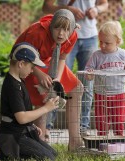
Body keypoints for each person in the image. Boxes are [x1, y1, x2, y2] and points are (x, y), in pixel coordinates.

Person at [14, 9, 84, 151]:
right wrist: (40, 75)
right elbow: (22, 56)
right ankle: (39, 141)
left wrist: (57, 79)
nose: (61, 34)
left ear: (71, 30)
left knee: (77, 88)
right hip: (24, 62)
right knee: (44, 91)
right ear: (51, 26)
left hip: (49, 61)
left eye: (65, 30)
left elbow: (62, 58)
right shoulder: (37, 33)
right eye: (57, 28)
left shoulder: (73, 35)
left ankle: (75, 142)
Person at [42, 0, 109, 137]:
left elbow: (104, 4)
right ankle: (47, 127)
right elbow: (46, 7)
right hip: (65, 36)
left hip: (90, 37)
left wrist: (97, 10)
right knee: (57, 80)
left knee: (87, 83)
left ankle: (82, 128)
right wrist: (67, 10)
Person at [0, 42, 59, 160]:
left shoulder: (19, 81)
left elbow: (20, 112)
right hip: (12, 137)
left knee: (53, 154)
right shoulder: (12, 86)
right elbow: (21, 117)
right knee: (48, 158)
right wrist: (46, 108)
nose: (32, 71)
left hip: (22, 131)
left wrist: (32, 126)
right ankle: (6, 154)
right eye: (31, 67)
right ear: (21, 64)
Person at [85, 21, 125, 136]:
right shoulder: (97, 55)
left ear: (117, 41)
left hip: (119, 92)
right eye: (100, 42)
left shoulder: (123, 54)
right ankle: (102, 137)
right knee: (101, 119)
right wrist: (90, 74)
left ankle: (119, 136)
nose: (102, 45)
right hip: (101, 93)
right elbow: (88, 70)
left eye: (107, 43)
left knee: (119, 118)